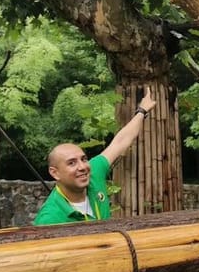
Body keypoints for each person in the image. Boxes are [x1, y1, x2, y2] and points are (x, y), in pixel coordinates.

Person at [34, 87, 157, 225]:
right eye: (71, 163)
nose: (82, 167)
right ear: (55, 173)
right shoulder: (49, 219)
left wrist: (142, 110)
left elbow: (119, 142)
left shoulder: (94, 172)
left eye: (83, 159)